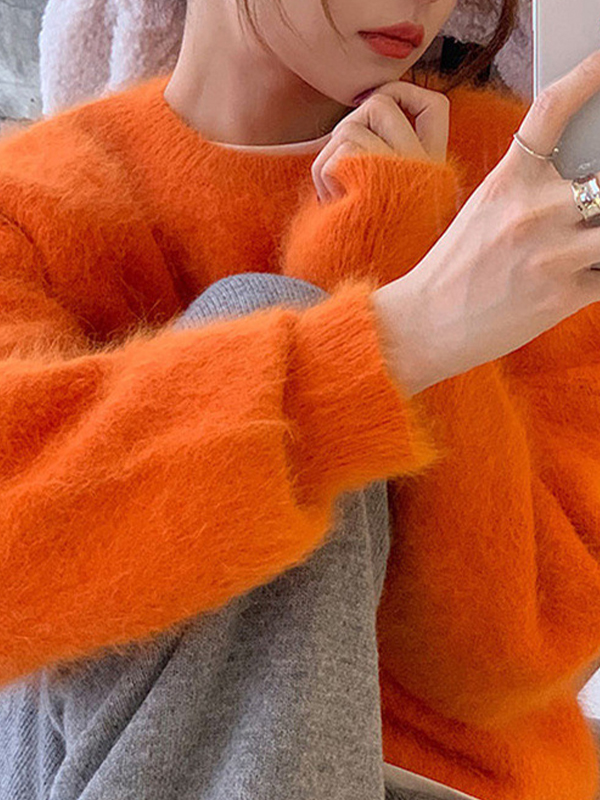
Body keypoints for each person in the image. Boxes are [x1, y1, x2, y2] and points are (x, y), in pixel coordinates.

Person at [0, 0, 600, 798]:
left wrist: (389, 250)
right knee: (249, 319)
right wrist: (399, 335)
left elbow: (513, 659)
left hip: (436, 784)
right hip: (95, 771)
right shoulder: (30, 202)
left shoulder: (519, 190)